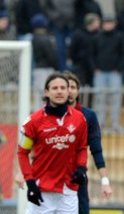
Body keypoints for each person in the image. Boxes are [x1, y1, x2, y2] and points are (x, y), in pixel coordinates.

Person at [17, 72, 88, 213]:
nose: (59, 91)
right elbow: (22, 153)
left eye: (63, 88)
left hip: (68, 191)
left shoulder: (80, 119)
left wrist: (81, 168)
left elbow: (82, 148)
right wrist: (30, 183)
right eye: (55, 88)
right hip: (41, 191)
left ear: (69, 91)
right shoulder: (33, 121)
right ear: (46, 92)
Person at [63, 71, 113, 214]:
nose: (69, 90)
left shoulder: (88, 116)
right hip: (53, 179)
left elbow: (96, 149)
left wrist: (105, 181)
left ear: (78, 91)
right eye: (66, 86)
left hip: (77, 178)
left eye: (73, 87)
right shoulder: (48, 115)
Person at [92, 16, 124, 131]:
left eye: (110, 22)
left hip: (114, 73)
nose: (108, 25)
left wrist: (119, 68)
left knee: (115, 98)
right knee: (99, 98)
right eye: (106, 23)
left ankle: (115, 123)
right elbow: (91, 54)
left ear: (114, 24)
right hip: (100, 72)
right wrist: (95, 68)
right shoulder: (97, 37)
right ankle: (100, 123)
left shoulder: (119, 37)